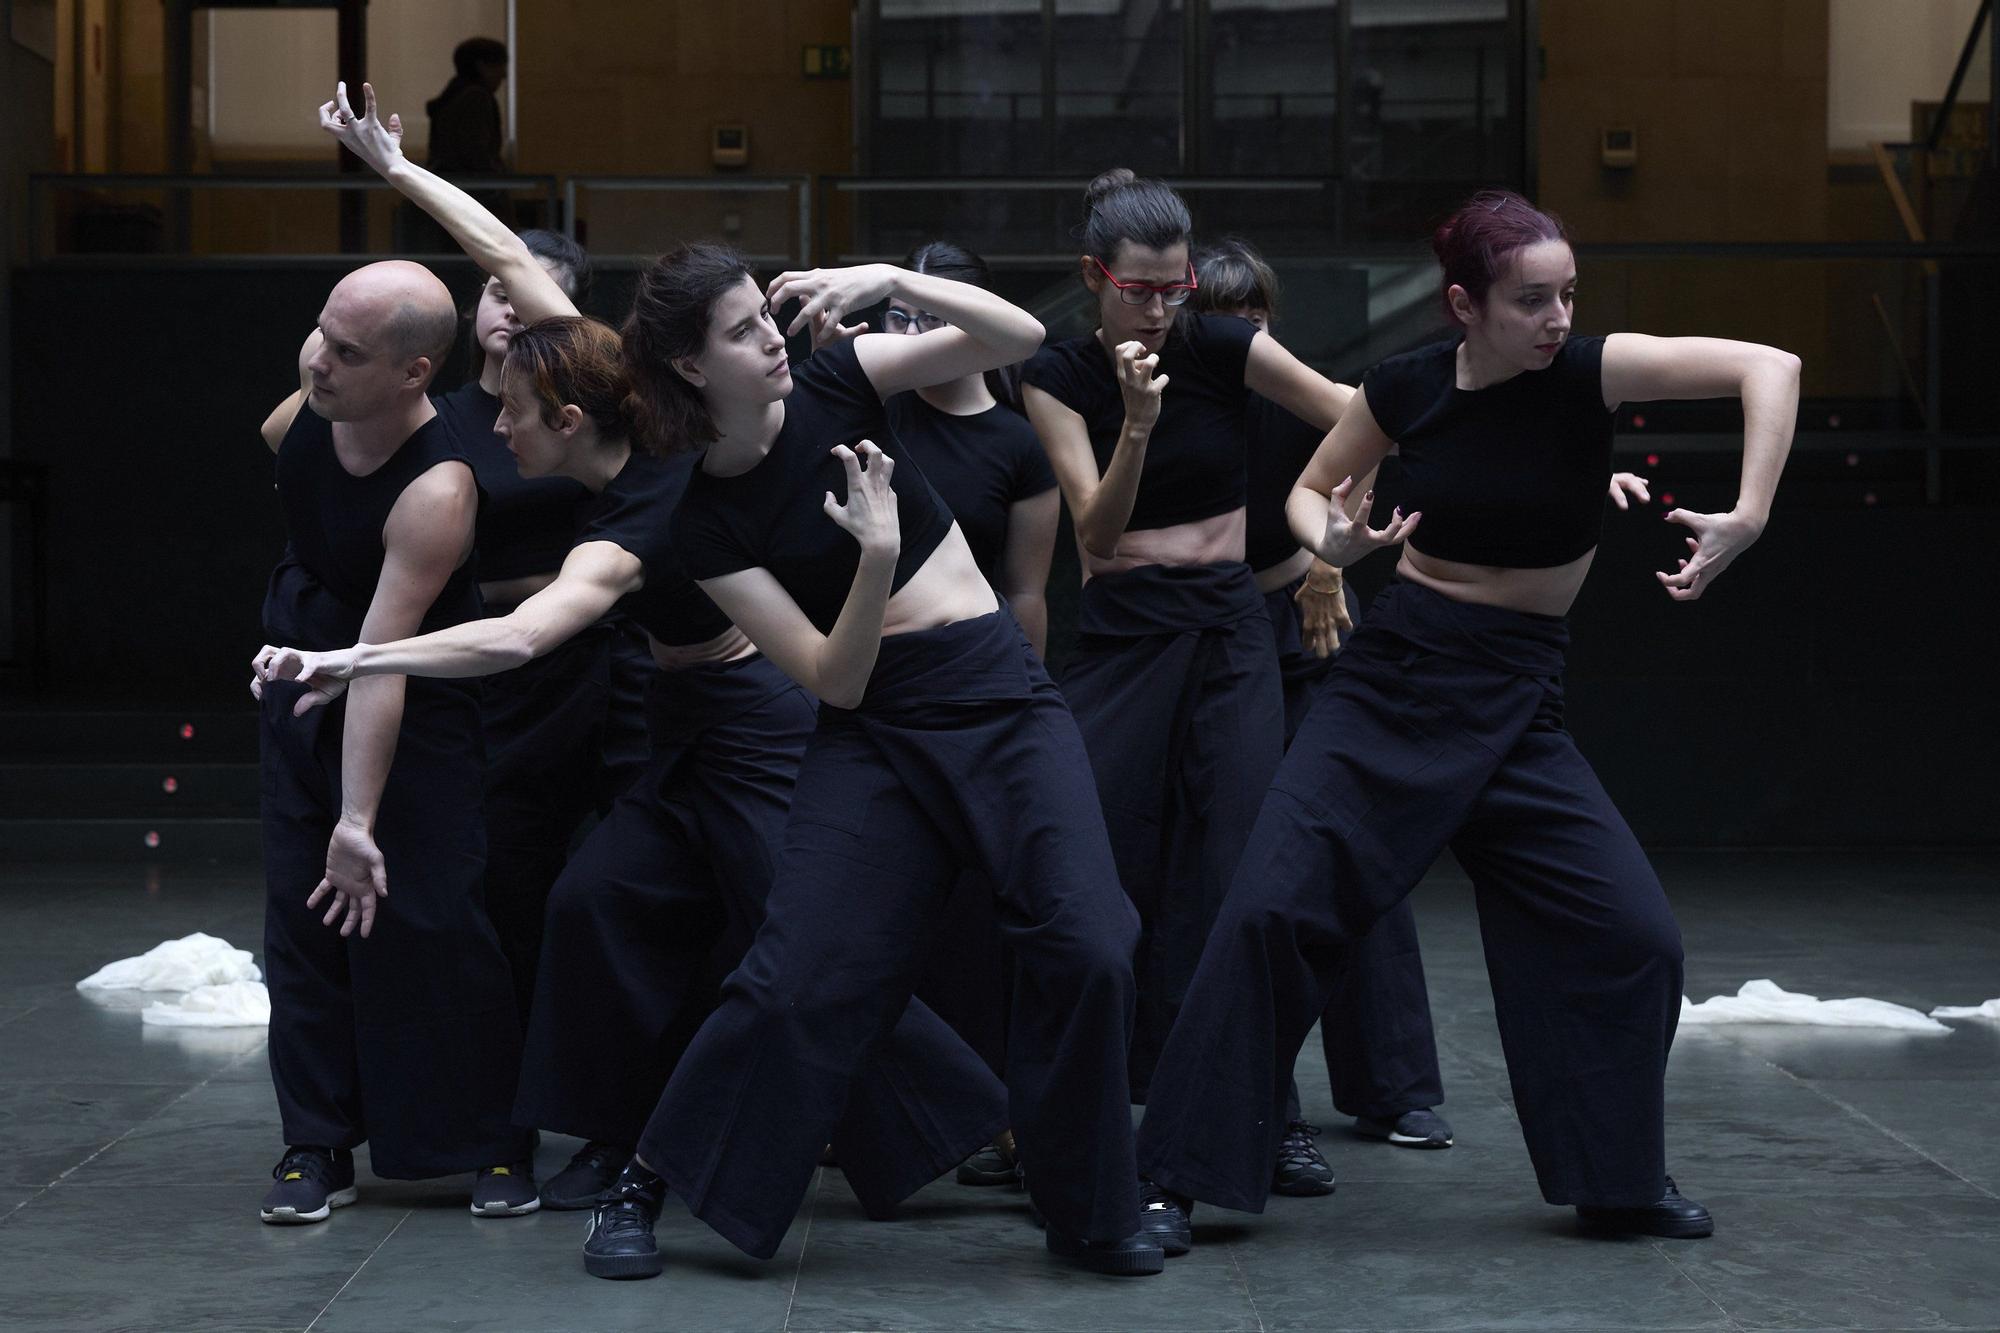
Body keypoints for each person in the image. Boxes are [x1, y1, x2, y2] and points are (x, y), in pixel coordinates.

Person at [261, 82, 1010, 1226]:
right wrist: (395, 170)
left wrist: (348, 662)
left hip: (754, 711)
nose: (495, 429)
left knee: (791, 930)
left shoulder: (644, 510)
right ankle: (620, 1136)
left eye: (511, 415)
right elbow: (508, 253)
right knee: (594, 903)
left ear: (564, 424)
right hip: (671, 719)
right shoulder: (603, 394)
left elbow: (520, 634)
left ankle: (959, 1115)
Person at [1133, 189, 1799, 1250]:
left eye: (1566, 295)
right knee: (1268, 910)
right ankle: (1171, 1172)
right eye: (1530, 299)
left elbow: (1771, 366)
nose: (1555, 317)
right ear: (1462, 304)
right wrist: (1332, 544)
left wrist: (1749, 512)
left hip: (1517, 696)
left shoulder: (1587, 373)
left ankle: (1615, 1179)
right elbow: (1313, 486)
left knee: (1630, 936)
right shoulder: (1405, 384)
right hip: (1395, 677)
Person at [587, 241, 1161, 1278]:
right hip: (873, 726)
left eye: (763, 315)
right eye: (737, 330)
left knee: (1088, 943)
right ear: (685, 367)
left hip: (996, 697)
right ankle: (643, 1180)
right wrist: (878, 555)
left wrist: (890, 282)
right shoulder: (706, 525)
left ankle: (1093, 1207)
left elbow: (1017, 338)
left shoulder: (836, 376)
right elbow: (833, 681)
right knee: (795, 979)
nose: (768, 334)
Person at [1018, 169, 1355, 1216]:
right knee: (1092, 875)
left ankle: (1254, 1124)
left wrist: (1331, 555)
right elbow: (1095, 533)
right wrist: (1134, 421)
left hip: (1226, 629)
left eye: (1176, 289)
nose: (1163, 309)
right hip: (1122, 633)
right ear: (1094, 277)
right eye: (1142, 290)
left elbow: (1358, 415)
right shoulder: (1054, 372)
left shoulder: (1221, 344)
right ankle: (1059, 1126)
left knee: (1240, 877)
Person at [246, 251, 532, 1225]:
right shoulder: (319, 384)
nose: (320, 359)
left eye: (348, 349)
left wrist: (358, 820)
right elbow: (284, 434)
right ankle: (315, 1139)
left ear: (414, 372)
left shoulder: (437, 491)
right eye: (321, 333)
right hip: (300, 663)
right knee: (302, 914)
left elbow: (382, 663)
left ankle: (487, 1139)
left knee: (432, 917)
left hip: (403, 683)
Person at [1189, 237, 1453, 1179]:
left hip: (1312, 621)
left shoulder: (1296, 393)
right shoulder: (1174, 399)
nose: (1246, 334)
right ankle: (1258, 1102)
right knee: (1236, 867)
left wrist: (1326, 565)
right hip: (1211, 633)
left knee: (1355, 839)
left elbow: (1369, 434)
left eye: (1256, 315)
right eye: (1225, 319)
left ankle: (1394, 1084)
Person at [877, 240, 1060, 1187]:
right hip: (883, 687)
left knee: (986, 914)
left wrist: (1017, 706)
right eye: (909, 318)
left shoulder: (1018, 443)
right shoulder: (882, 418)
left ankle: (999, 1114)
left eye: (943, 315)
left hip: (984, 692)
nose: (925, 334)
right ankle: (889, 1115)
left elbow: (1028, 591)